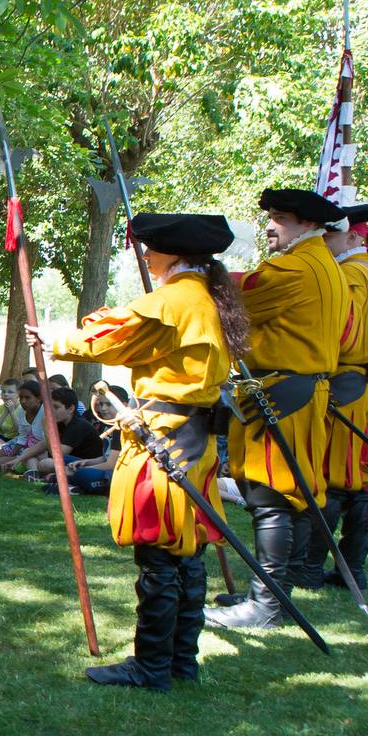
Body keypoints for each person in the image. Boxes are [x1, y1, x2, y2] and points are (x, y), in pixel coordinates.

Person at [38, 213, 242, 688]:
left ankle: (153, 665)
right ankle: (179, 663)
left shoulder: (178, 298)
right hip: (194, 435)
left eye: (152, 249)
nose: (146, 256)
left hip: (167, 435)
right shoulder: (206, 295)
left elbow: (118, 336)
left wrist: (55, 342)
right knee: (185, 552)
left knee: (161, 552)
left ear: (174, 253)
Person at [205, 189, 350, 629]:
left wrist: (195, 270)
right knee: (285, 496)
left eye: (281, 218)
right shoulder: (322, 263)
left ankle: (265, 605)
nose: (271, 225)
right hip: (297, 390)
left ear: (309, 225)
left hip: (284, 393)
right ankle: (273, 593)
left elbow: (235, 299)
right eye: (270, 216)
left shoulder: (294, 267)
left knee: (272, 498)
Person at [299, 202, 368, 593]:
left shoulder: (352, 275)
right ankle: (350, 571)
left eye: (329, 235)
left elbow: (340, 333)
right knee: (355, 479)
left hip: (344, 383)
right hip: (358, 384)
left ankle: (312, 568)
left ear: (352, 236)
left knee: (336, 477)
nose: (324, 242)